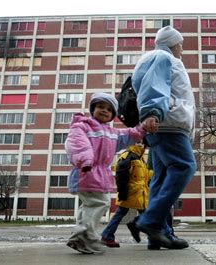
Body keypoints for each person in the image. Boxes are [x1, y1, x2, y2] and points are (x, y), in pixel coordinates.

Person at [127, 25, 196, 250]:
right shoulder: (162, 57)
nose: (182, 50)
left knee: (160, 178)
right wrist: (152, 113)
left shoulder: (158, 57)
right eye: (181, 45)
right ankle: (149, 221)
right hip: (168, 125)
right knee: (184, 166)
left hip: (162, 125)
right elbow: (153, 86)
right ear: (173, 44)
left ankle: (157, 236)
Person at [65, 92, 157, 254]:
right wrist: (85, 159)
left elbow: (128, 135)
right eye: (100, 106)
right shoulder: (82, 125)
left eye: (109, 109)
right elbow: (77, 143)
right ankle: (85, 235)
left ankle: (81, 234)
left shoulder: (111, 133)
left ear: (113, 115)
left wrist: (142, 128)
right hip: (87, 170)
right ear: (92, 109)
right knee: (99, 203)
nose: (104, 111)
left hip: (99, 174)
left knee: (90, 204)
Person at [100, 142, 152, 248]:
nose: (140, 144)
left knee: (142, 215)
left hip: (141, 193)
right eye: (137, 142)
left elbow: (145, 177)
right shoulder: (128, 156)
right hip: (131, 193)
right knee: (146, 215)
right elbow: (120, 175)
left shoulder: (141, 158)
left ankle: (108, 235)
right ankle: (151, 237)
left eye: (142, 142)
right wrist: (123, 192)